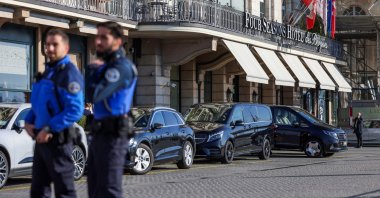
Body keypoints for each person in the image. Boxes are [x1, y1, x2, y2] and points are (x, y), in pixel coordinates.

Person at [24, 29, 84, 198]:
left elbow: (75, 110)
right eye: (47, 44)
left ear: (66, 48)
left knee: (64, 193)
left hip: (58, 141)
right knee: (38, 192)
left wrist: (49, 128)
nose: (49, 48)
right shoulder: (49, 72)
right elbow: (40, 104)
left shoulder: (69, 73)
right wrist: (28, 121)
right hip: (41, 141)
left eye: (54, 44)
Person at [87, 21, 137, 198]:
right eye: (97, 37)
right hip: (100, 133)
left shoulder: (121, 67)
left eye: (104, 37)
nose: (98, 41)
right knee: (95, 189)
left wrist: (92, 72)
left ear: (117, 41)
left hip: (113, 135)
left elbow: (95, 93)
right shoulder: (107, 66)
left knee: (109, 189)